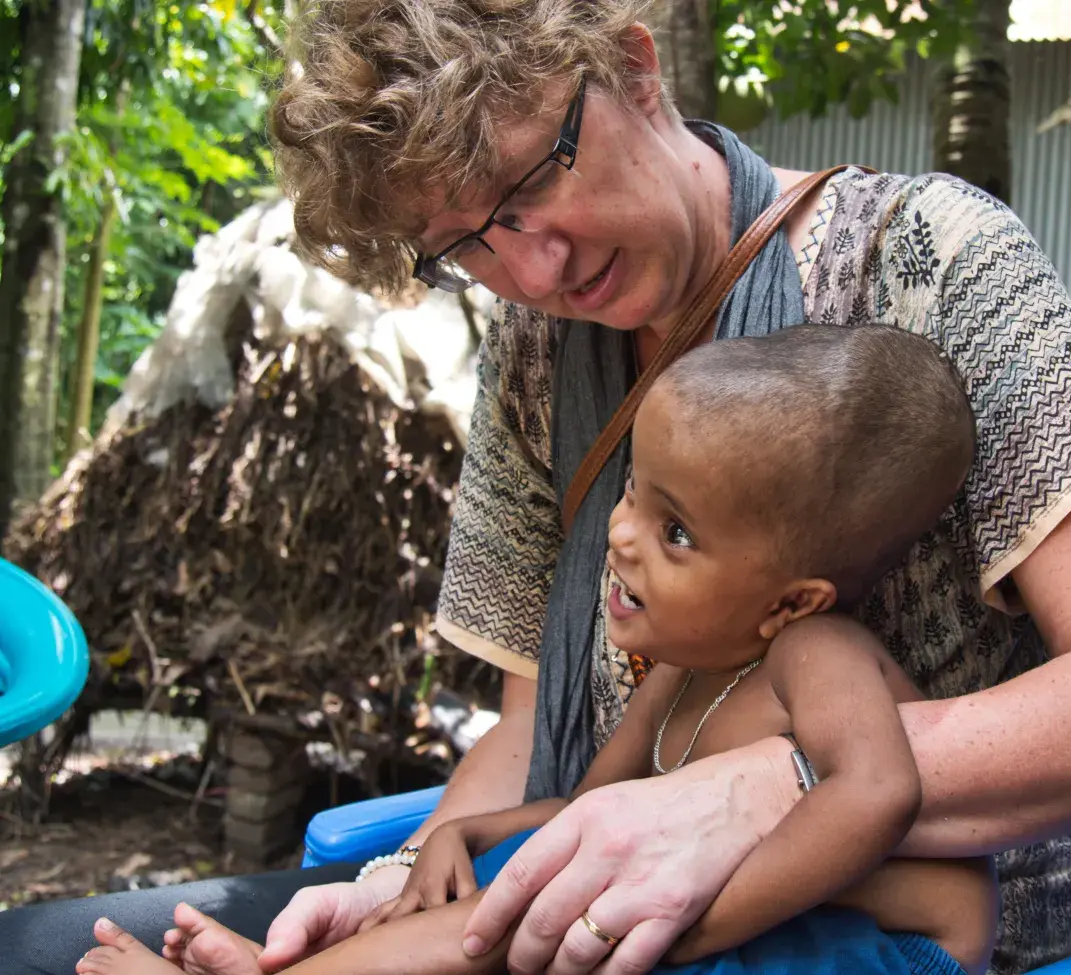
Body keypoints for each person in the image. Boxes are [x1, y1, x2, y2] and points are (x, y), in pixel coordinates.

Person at [0, 2, 1071, 973]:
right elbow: (532, 732)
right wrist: (400, 887)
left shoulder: (931, 261)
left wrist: (764, 787)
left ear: (635, 70)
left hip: (870, 925)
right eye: (465, 243)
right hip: (579, 869)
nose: (532, 262)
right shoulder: (540, 354)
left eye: (534, 183)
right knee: (35, 949)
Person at [76, 325, 998, 975]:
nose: (625, 538)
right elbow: (586, 815)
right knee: (514, 908)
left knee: (526, 929)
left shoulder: (819, 655)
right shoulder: (679, 673)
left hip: (888, 951)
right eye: (634, 495)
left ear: (789, 600)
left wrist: (701, 920)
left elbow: (879, 790)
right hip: (777, 934)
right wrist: (463, 831)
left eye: (678, 533)